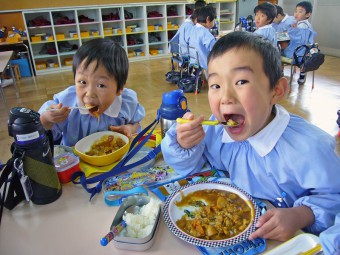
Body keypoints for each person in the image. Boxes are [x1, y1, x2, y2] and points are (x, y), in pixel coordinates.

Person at [161, 31, 340, 242]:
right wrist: (185, 145)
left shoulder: (309, 147)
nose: (225, 98)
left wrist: (300, 215)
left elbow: (334, 198)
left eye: (241, 81)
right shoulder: (217, 130)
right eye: (216, 85)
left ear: (276, 90)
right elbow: (196, 170)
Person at [38, 38, 145, 146]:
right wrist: (47, 119)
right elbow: (41, 131)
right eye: (82, 82)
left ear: (119, 89)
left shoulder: (126, 103)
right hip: (75, 160)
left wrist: (129, 129)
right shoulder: (67, 103)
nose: (89, 93)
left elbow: (135, 124)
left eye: (101, 85)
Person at [282, 1, 317, 85]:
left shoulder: (301, 26)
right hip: (305, 54)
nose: (296, 13)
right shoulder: (306, 24)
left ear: (308, 14)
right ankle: (302, 74)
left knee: (277, 52)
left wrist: (289, 31)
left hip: (297, 54)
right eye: (296, 11)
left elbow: (296, 39)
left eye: (300, 11)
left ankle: (280, 74)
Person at [187, 5, 216, 70]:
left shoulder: (192, 29)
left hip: (194, 65)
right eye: (214, 20)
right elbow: (216, 50)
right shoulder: (206, 34)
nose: (214, 22)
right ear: (208, 19)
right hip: (205, 66)